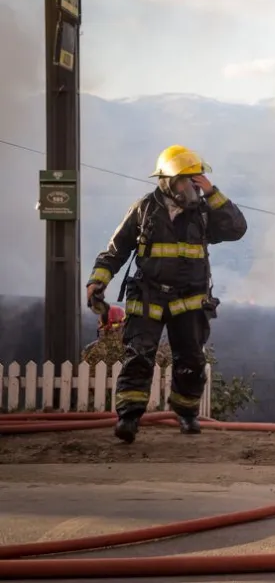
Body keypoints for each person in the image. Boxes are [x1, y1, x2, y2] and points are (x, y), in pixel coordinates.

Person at [85, 145, 248, 443]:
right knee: (139, 356)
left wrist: (212, 193)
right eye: (185, 180)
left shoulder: (203, 212)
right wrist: (97, 282)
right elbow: (115, 251)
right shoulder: (144, 209)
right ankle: (128, 418)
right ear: (167, 181)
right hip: (148, 295)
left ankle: (186, 414)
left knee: (191, 360)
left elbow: (237, 228)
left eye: (194, 180)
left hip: (189, 298)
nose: (190, 187)